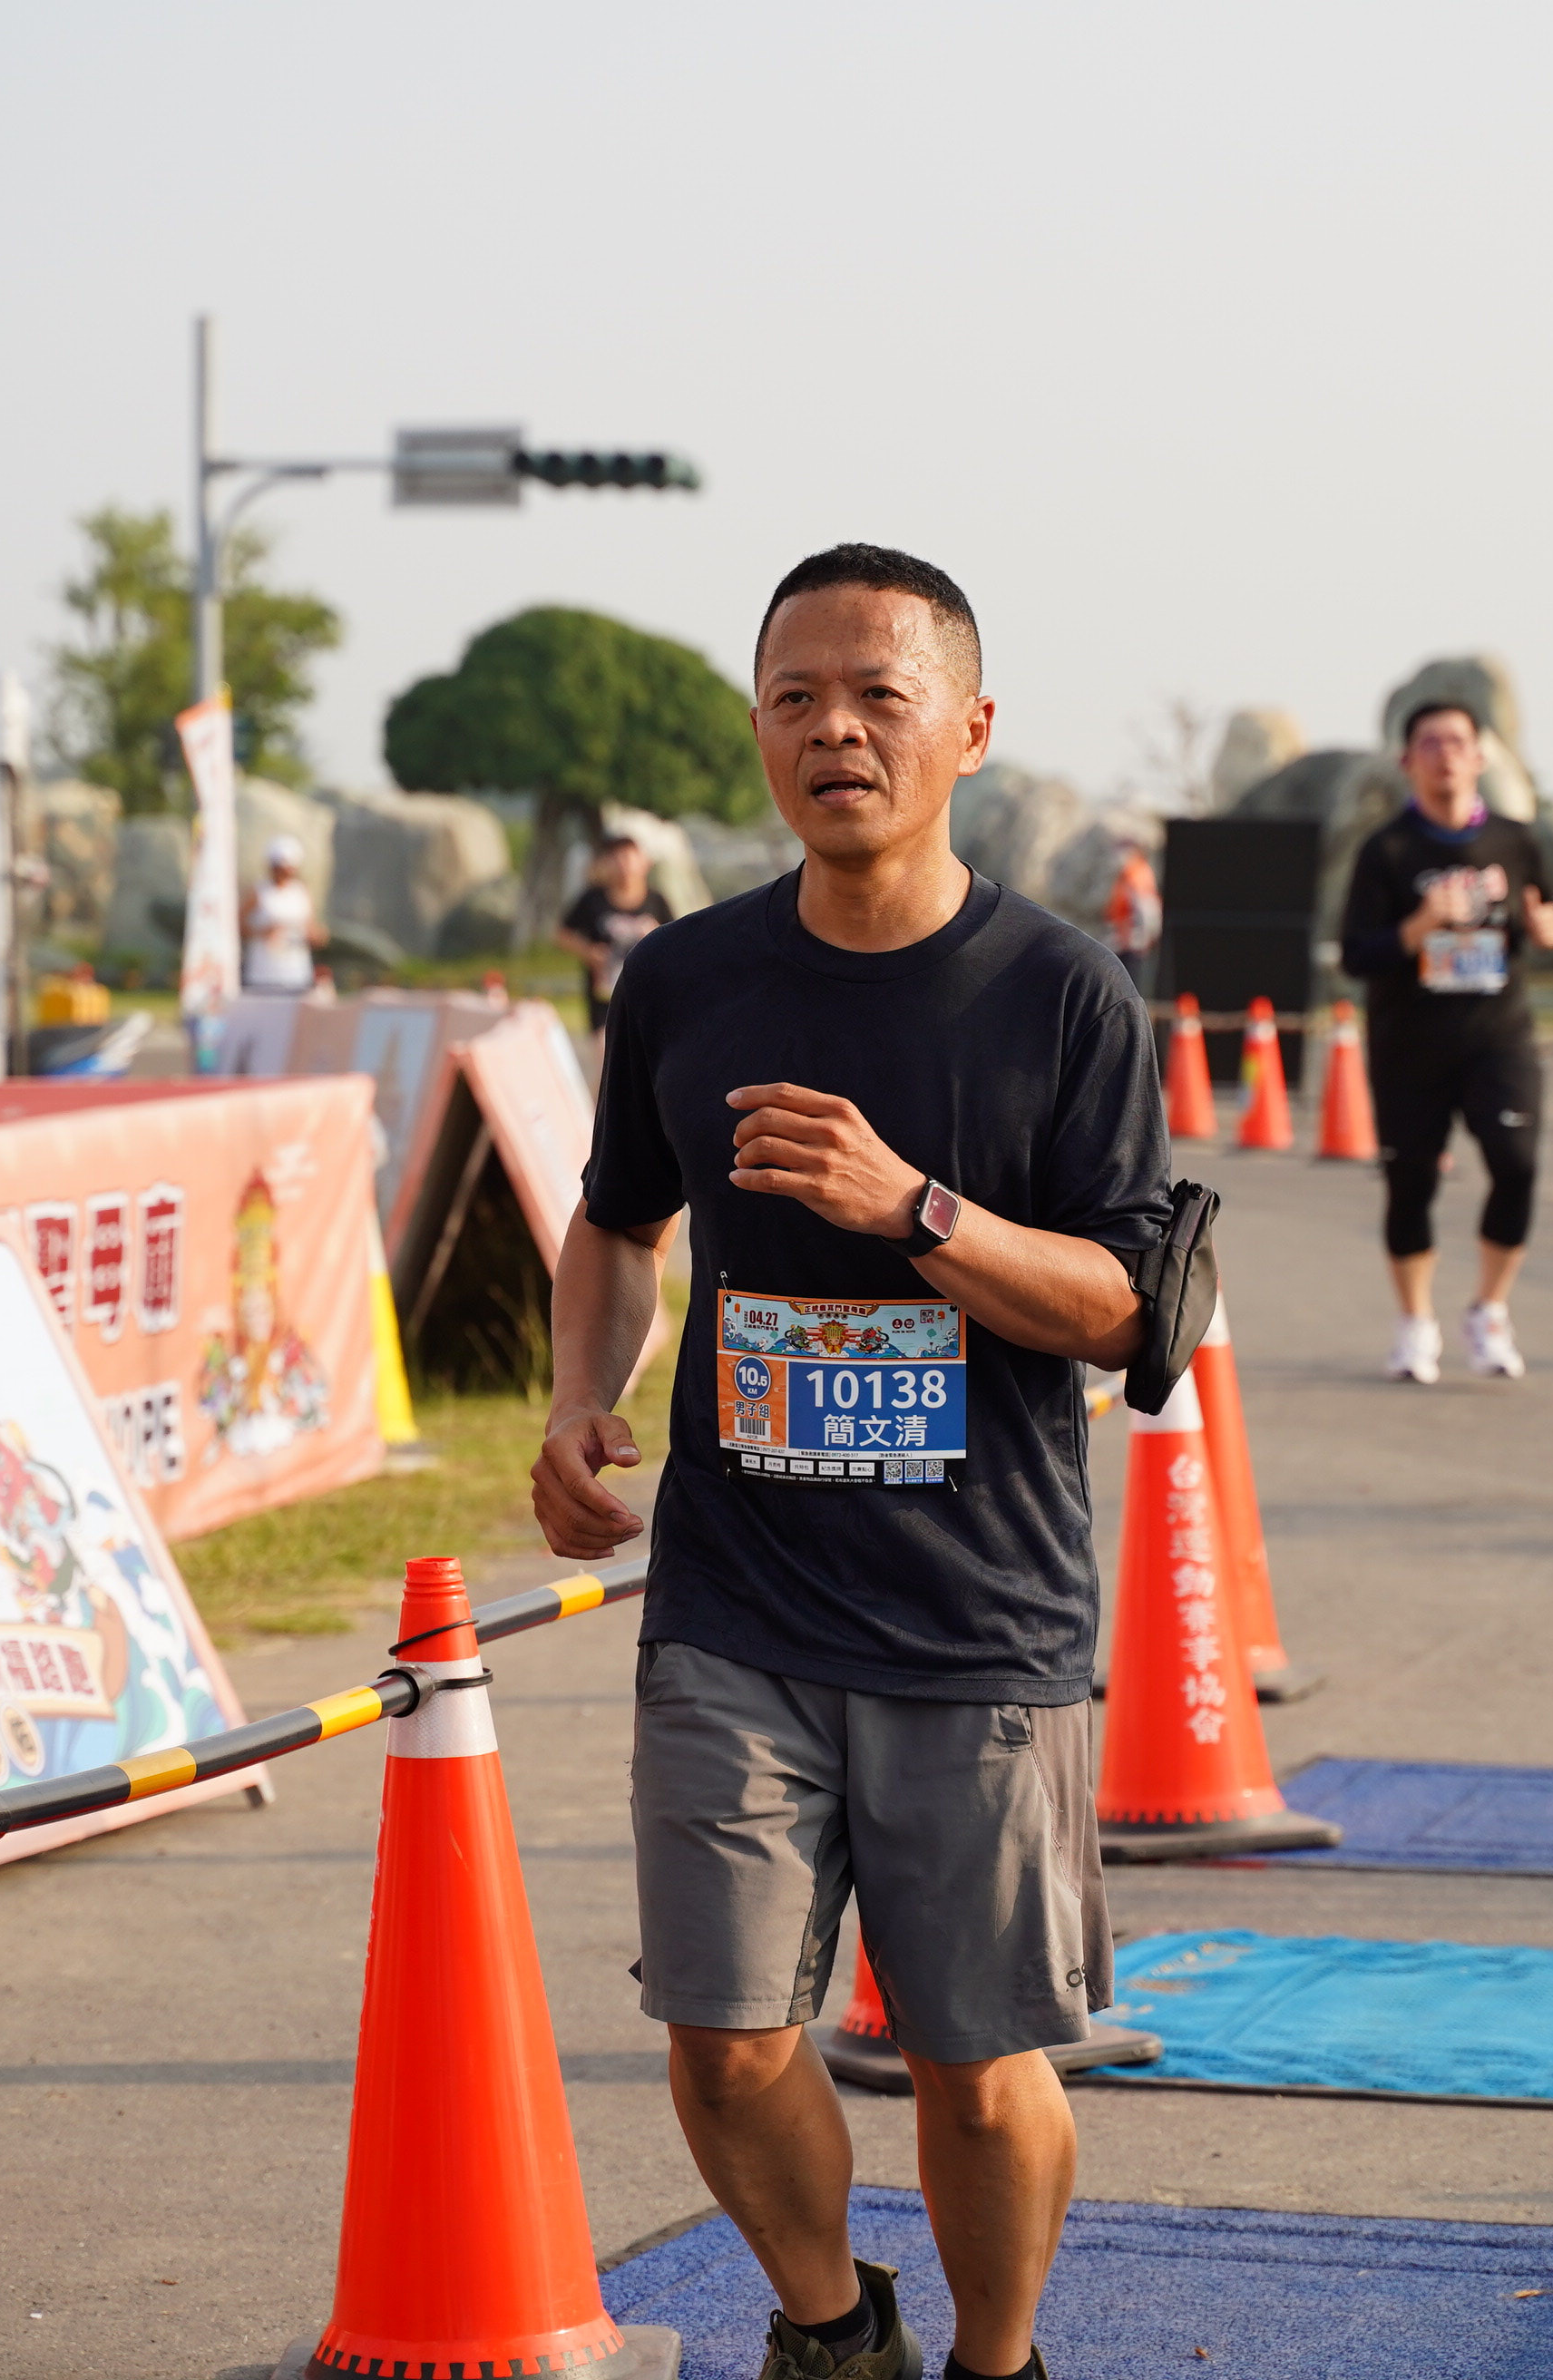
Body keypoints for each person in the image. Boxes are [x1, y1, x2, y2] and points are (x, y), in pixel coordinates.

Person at [532, 543, 1167, 2380]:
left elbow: (1127, 1307)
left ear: (969, 728)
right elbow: (617, 1221)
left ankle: (998, 2361)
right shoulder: (687, 977)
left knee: (974, 2066)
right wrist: (579, 1395)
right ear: (759, 730)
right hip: (735, 1603)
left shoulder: (1063, 995)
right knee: (727, 2037)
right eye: (796, 697)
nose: (836, 732)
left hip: (979, 1619)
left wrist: (917, 1209)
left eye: (881, 696)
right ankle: (834, 2334)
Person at [1339, 698, 1553, 1382]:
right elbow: (1356, 954)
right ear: (1407, 761)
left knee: (1516, 1165)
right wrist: (1419, 926)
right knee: (1411, 1184)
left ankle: (1489, 1310)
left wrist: (1549, 930)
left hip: (1499, 1036)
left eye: (1458, 742)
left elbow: (1547, 917)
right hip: (1410, 1044)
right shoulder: (1387, 850)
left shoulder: (1515, 841)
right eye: (1430, 744)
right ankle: (1416, 1324)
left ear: (1480, 757)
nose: (1446, 755)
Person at [556, 832, 678, 1037]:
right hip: (606, 995)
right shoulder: (593, 900)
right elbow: (562, 934)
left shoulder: (656, 901)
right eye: (617, 858)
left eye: (629, 858)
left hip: (647, 993)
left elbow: (676, 942)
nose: (624, 866)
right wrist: (589, 952)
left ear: (644, 863)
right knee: (606, 1048)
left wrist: (655, 935)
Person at [240, 834, 325, 993]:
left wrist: (316, 936)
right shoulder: (259, 892)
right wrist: (262, 933)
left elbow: (311, 927)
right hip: (264, 974)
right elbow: (237, 926)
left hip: (296, 973)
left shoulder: (301, 892)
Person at [1101, 844, 1163, 995]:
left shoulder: (1136, 874)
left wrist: (1146, 936)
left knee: (1126, 985)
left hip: (1129, 942)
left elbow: (1146, 909)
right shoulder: (1129, 874)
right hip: (1123, 939)